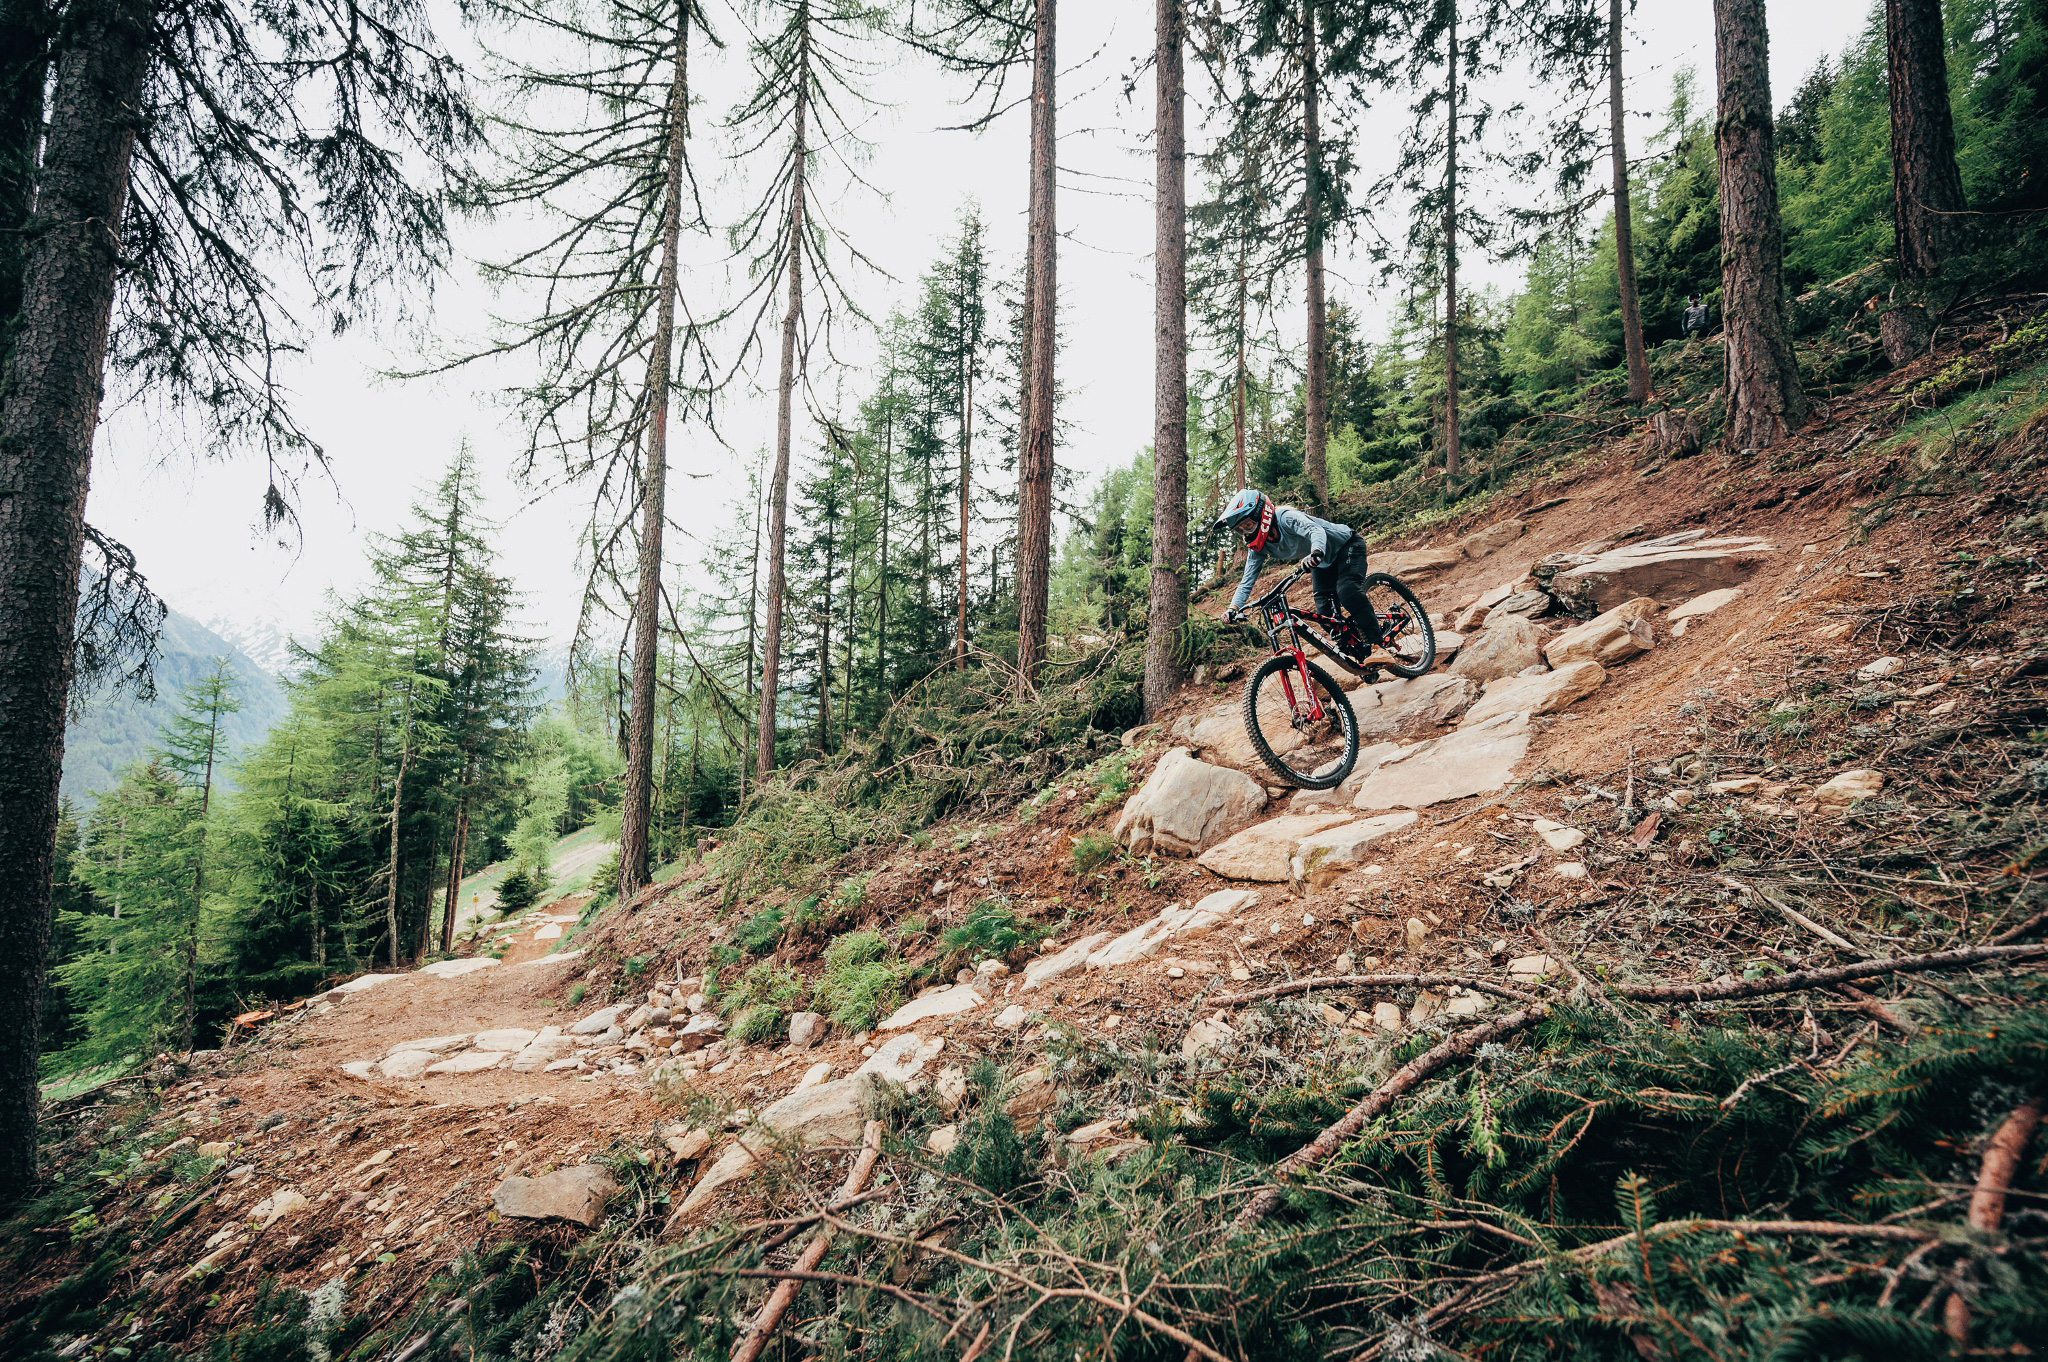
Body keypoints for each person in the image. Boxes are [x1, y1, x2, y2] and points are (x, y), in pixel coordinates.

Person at [1215, 487, 1394, 668]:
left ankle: (1378, 645)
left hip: (1346, 546)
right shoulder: (1258, 547)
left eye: (1247, 524)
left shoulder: (1284, 517)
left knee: (1347, 590)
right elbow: (1247, 580)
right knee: (1324, 614)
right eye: (1241, 529)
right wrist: (1233, 608)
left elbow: (1315, 530)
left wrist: (1316, 552)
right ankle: (1361, 652)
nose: (1246, 532)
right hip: (1320, 561)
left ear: (1262, 513)